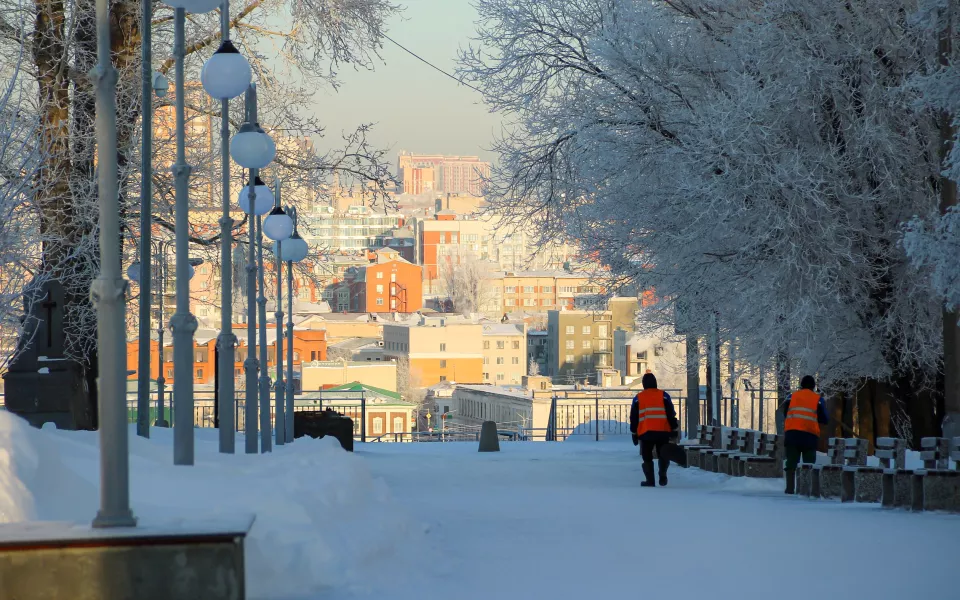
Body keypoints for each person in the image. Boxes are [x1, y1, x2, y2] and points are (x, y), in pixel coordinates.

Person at [629, 373, 679, 487]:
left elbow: (634, 417)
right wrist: (674, 427)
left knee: (647, 456)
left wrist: (634, 433)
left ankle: (650, 480)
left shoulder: (638, 398)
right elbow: (670, 413)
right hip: (663, 431)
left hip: (646, 432)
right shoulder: (664, 395)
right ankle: (663, 475)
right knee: (663, 454)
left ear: (643, 384)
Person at [783, 375, 829, 494]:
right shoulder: (818, 399)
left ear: (801, 385)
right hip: (809, 435)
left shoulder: (791, 396)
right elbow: (825, 419)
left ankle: (789, 488)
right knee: (809, 463)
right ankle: (807, 489)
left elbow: (784, 412)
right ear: (813, 386)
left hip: (792, 434)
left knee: (791, 461)